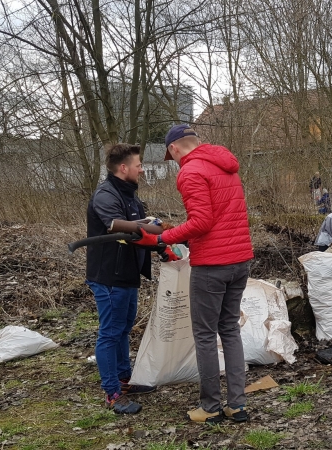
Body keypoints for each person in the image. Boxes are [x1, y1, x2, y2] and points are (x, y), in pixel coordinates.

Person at [136, 124, 253, 424]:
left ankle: (210, 406)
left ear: (174, 148)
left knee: (204, 335)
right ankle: (237, 405)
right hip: (240, 259)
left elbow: (201, 222)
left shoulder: (190, 171)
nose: (174, 160)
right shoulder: (226, 165)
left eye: (171, 156)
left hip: (212, 264)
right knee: (230, 330)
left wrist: (163, 238)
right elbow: (218, 217)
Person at [86, 143, 176, 414]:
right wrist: (159, 231)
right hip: (108, 276)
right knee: (110, 332)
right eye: (138, 165)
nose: (142, 169)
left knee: (124, 328)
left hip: (126, 274)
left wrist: (163, 247)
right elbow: (118, 227)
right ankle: (112, 393)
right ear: (124, 168)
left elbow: (142, 231)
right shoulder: (106, 195)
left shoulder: (130, 195)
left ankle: (124, 380)